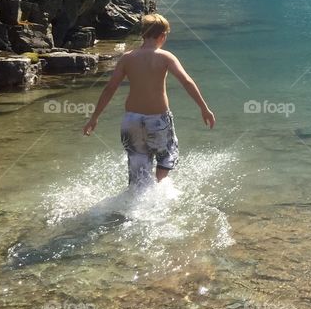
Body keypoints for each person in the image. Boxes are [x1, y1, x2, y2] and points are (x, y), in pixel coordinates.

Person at [83, 13, 215, 187]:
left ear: (143, 34)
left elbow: (110, 88)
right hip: (158, 119)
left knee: (138, 166)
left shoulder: (127, 58)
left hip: (131, 120)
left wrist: (94, 117)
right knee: (166, 157)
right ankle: (159, 193)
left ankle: (135, 203)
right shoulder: (165, 57)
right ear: (163, 36)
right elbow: (186, 81)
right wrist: (204, 108)